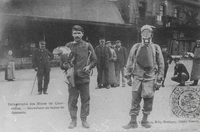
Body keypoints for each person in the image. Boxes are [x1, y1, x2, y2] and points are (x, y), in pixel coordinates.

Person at [123, 25, 164, 129]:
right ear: (141, 34)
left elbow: (161, 64)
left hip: (150, 79)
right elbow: (130, 61)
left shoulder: (156, 48)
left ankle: (145, 120)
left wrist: (159, 79)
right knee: (135, 101)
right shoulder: (136, 47)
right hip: (137, 78)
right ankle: (133, 121)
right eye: (144, 32)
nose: (146, 34)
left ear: (152, 34)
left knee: (148, 100)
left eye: (148, 32)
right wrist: (127, 76)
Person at [60, 25, 97, 129]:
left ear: (82, 34)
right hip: (72, 79)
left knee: (85, 99)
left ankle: (84, 120)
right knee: (72, 100)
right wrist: (64, 65)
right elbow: (62, 62)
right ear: (72, 34)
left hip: (84, 77)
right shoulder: (67, 46)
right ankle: (73, 120)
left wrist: (89, 66)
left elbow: (94, 59)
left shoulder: (87, 45)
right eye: (75, 33)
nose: (77, 35)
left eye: (79, 33)